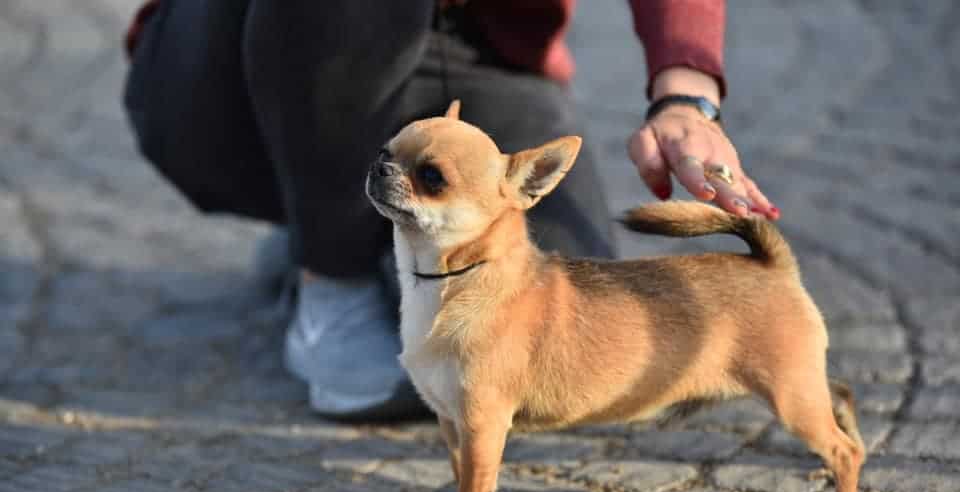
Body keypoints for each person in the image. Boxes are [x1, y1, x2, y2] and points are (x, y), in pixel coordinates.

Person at [123, 0, 776, 421]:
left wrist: (685, 98)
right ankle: (330, 274)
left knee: (567, 354)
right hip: (256, 54)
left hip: (480, 51)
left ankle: (344, 224)